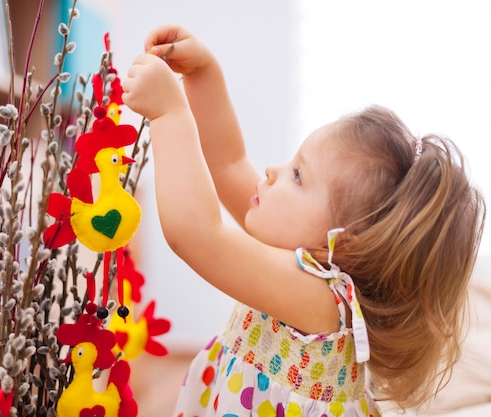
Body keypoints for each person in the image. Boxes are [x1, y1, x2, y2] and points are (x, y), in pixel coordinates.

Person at [121, 24, 486, 416]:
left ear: (342, 242)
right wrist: (203, 74)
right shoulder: (298, 250)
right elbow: (229, 164)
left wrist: (169, 113)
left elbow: (196, 234)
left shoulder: (321, 301)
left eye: (298, 175)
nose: (273, 170)